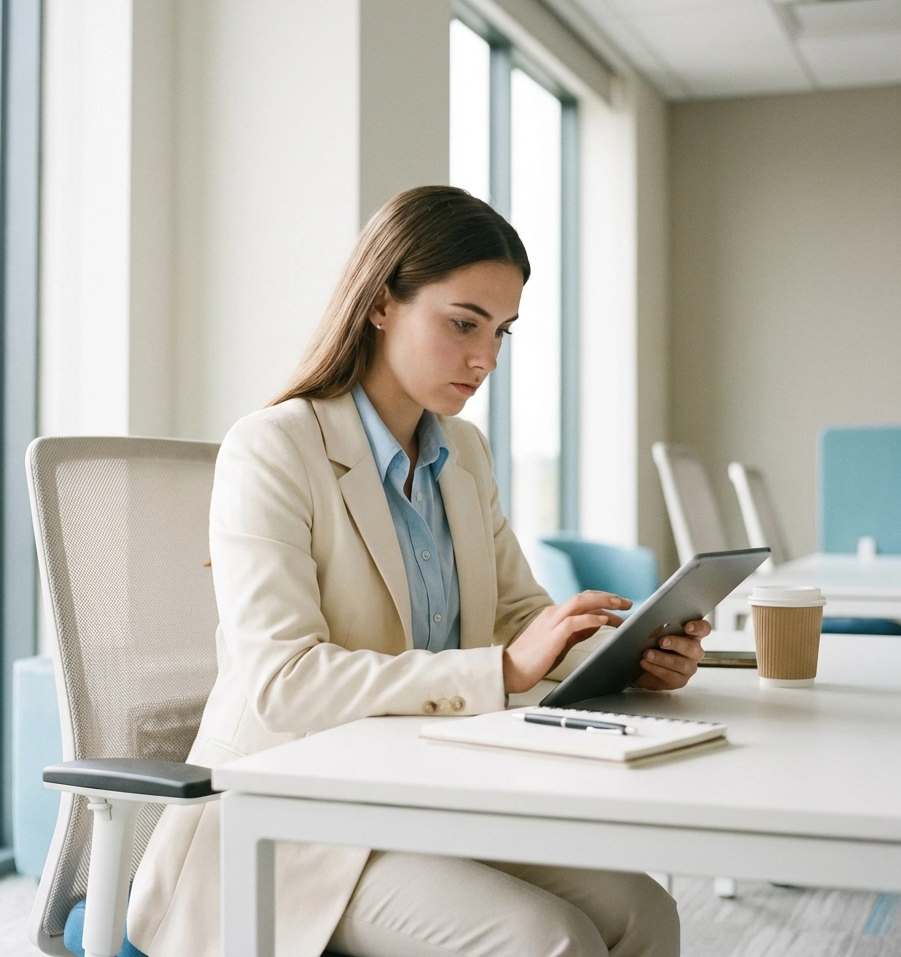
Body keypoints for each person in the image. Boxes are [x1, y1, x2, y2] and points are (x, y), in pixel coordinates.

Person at [128, 186, 710, 957]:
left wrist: (626, 658)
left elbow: (519, 619)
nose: (486, 358)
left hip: (426, 794)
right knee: (549, 940)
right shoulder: (273, 448)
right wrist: (500, 667)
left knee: (645, 910)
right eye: (464, 323)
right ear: (379, 303)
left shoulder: (462, 455)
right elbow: (285, 680)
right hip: (290, 821)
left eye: (502, 332)